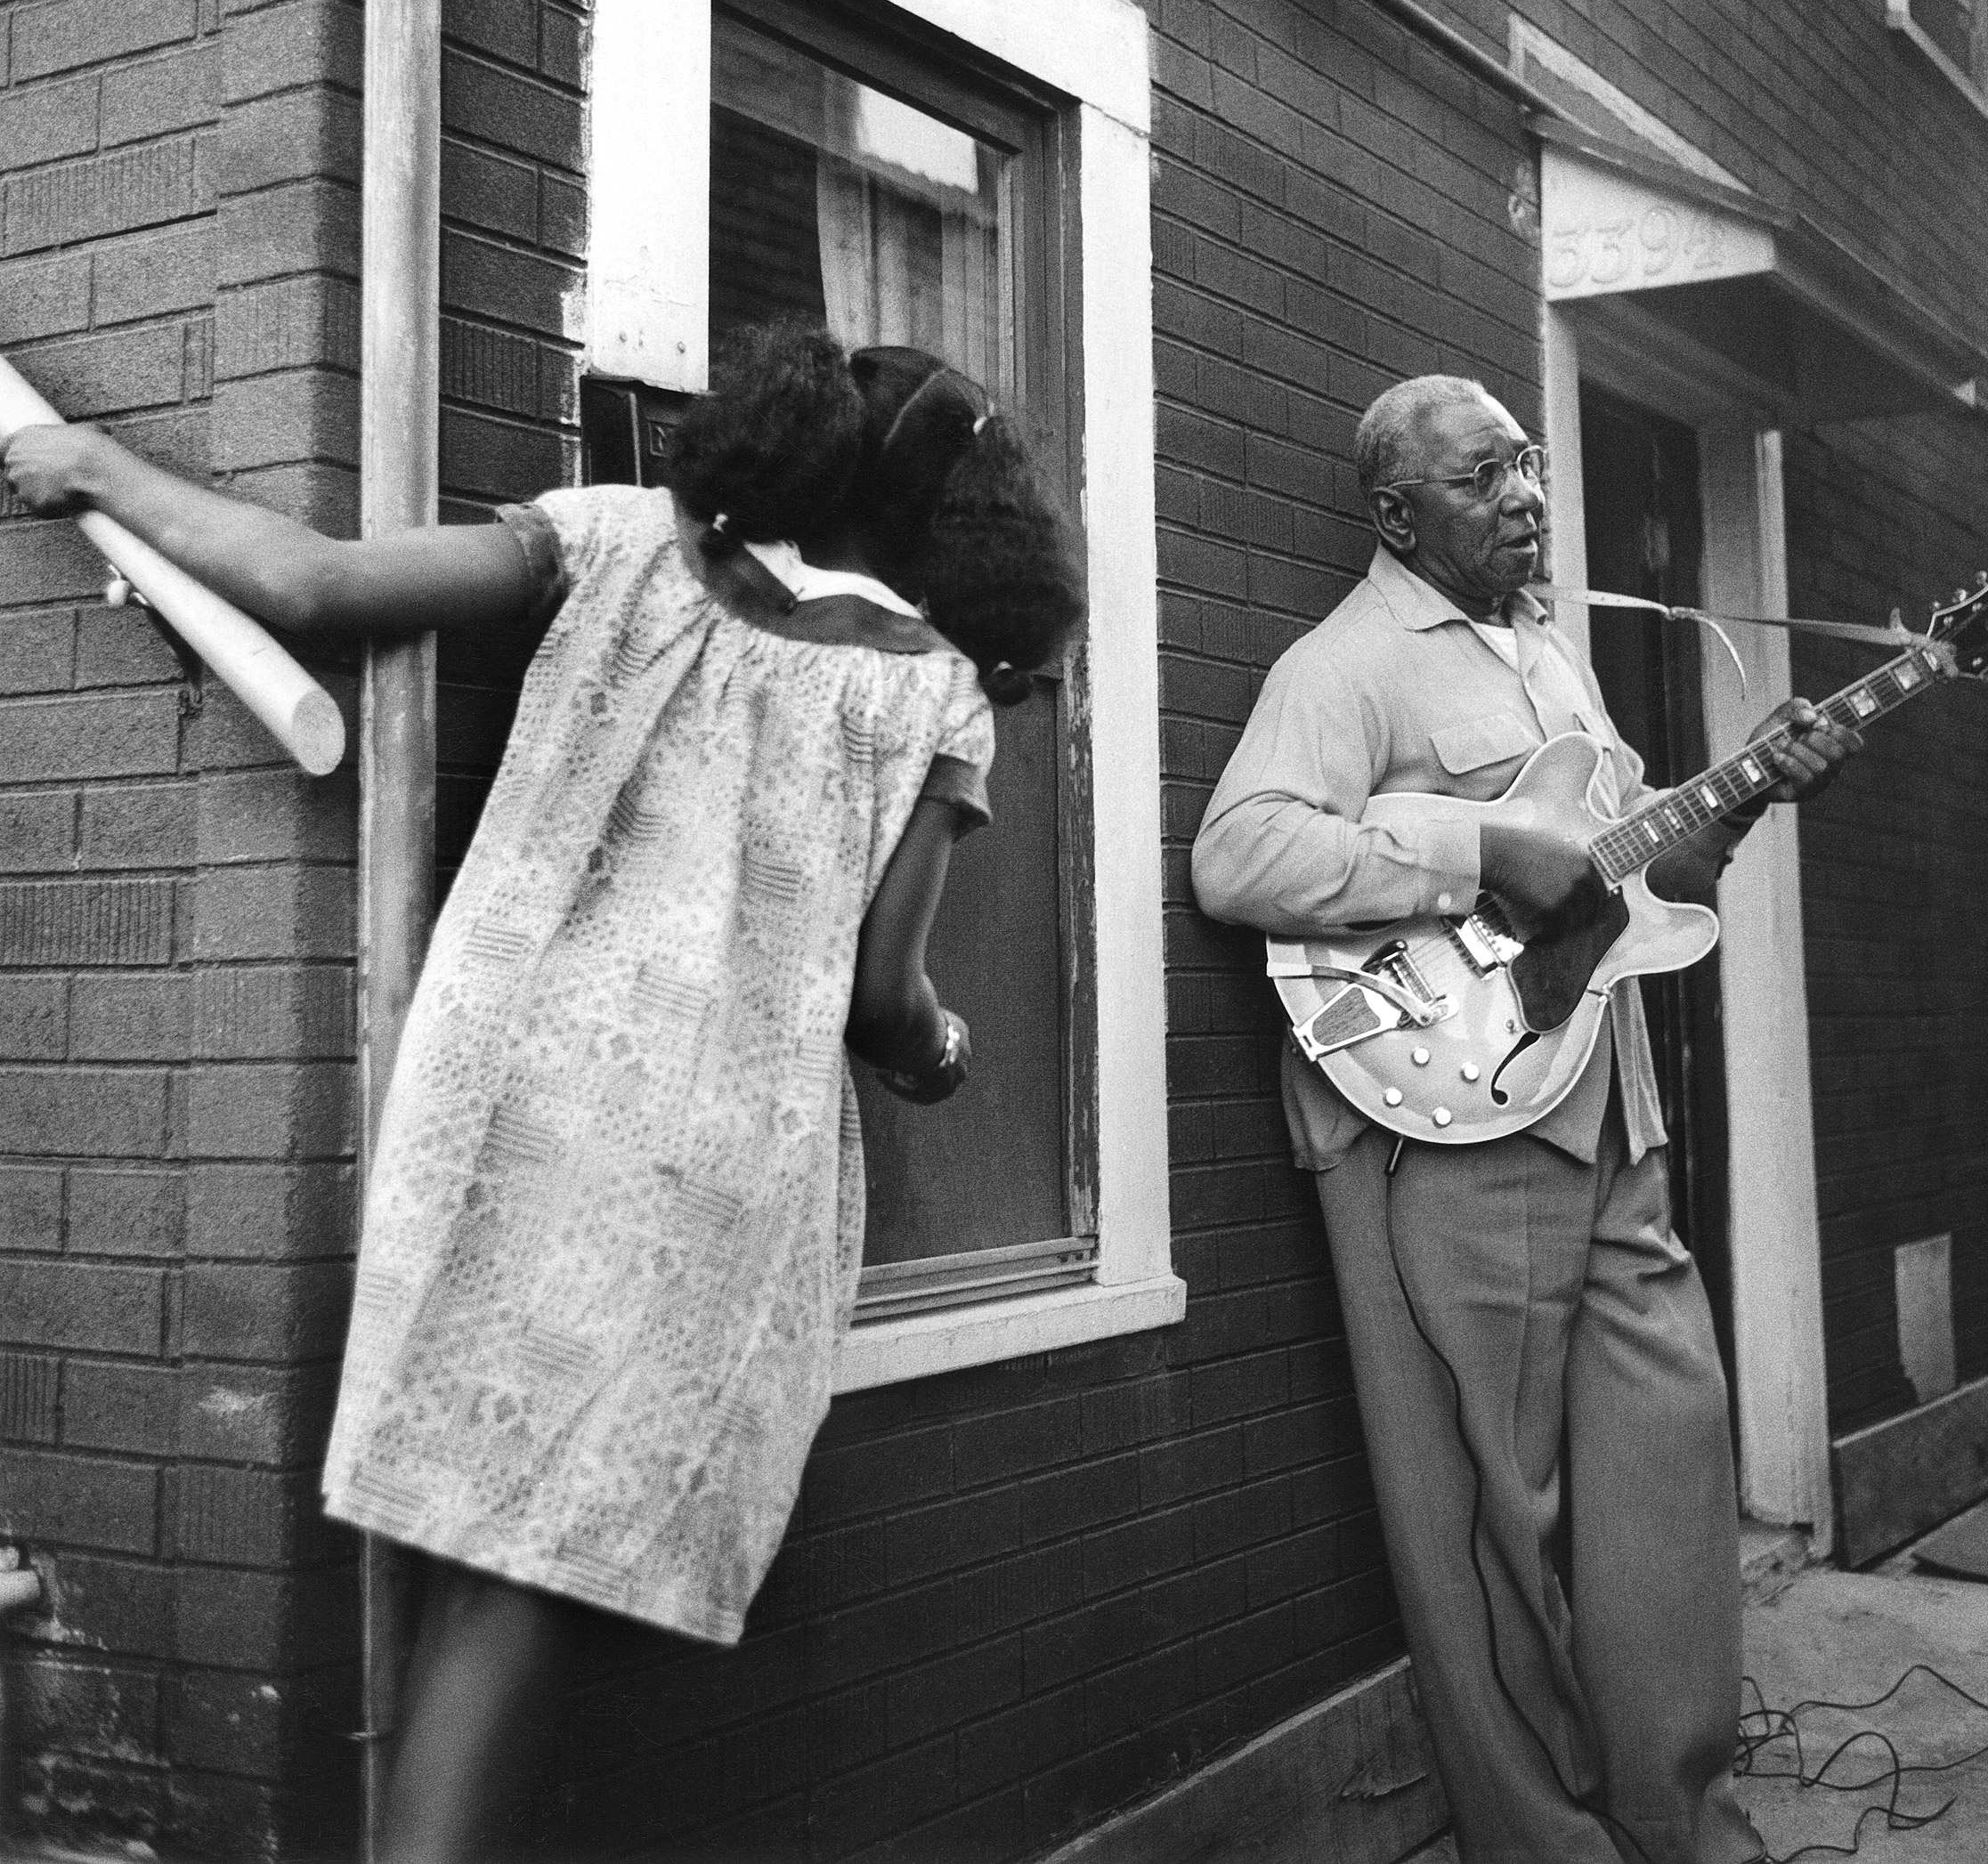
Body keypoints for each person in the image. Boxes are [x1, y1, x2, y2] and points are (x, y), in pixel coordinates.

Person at [3, 325, 1084, 1862]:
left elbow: (313, 586)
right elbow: (879, 1001)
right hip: (708, 1163)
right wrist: (944, 1056)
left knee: (477, 1545)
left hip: (507, 1101)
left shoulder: (623, 543)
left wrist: (98, 464)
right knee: (531, 1566)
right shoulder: (931, 700)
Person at [1191, 374, 1858, 1864]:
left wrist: (1742, 800)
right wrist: (1481, 843)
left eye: (1531, 468)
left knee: (1666, 1484)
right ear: (1397, 514)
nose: (1528, 499)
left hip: (1605, 1112)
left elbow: (1631, 887)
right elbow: (1238, 853)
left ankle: (1675, 1829)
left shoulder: (1548, 656)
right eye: (1486, 476)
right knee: (1489, 1525)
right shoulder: (1348, 662)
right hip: (1450, 1135)